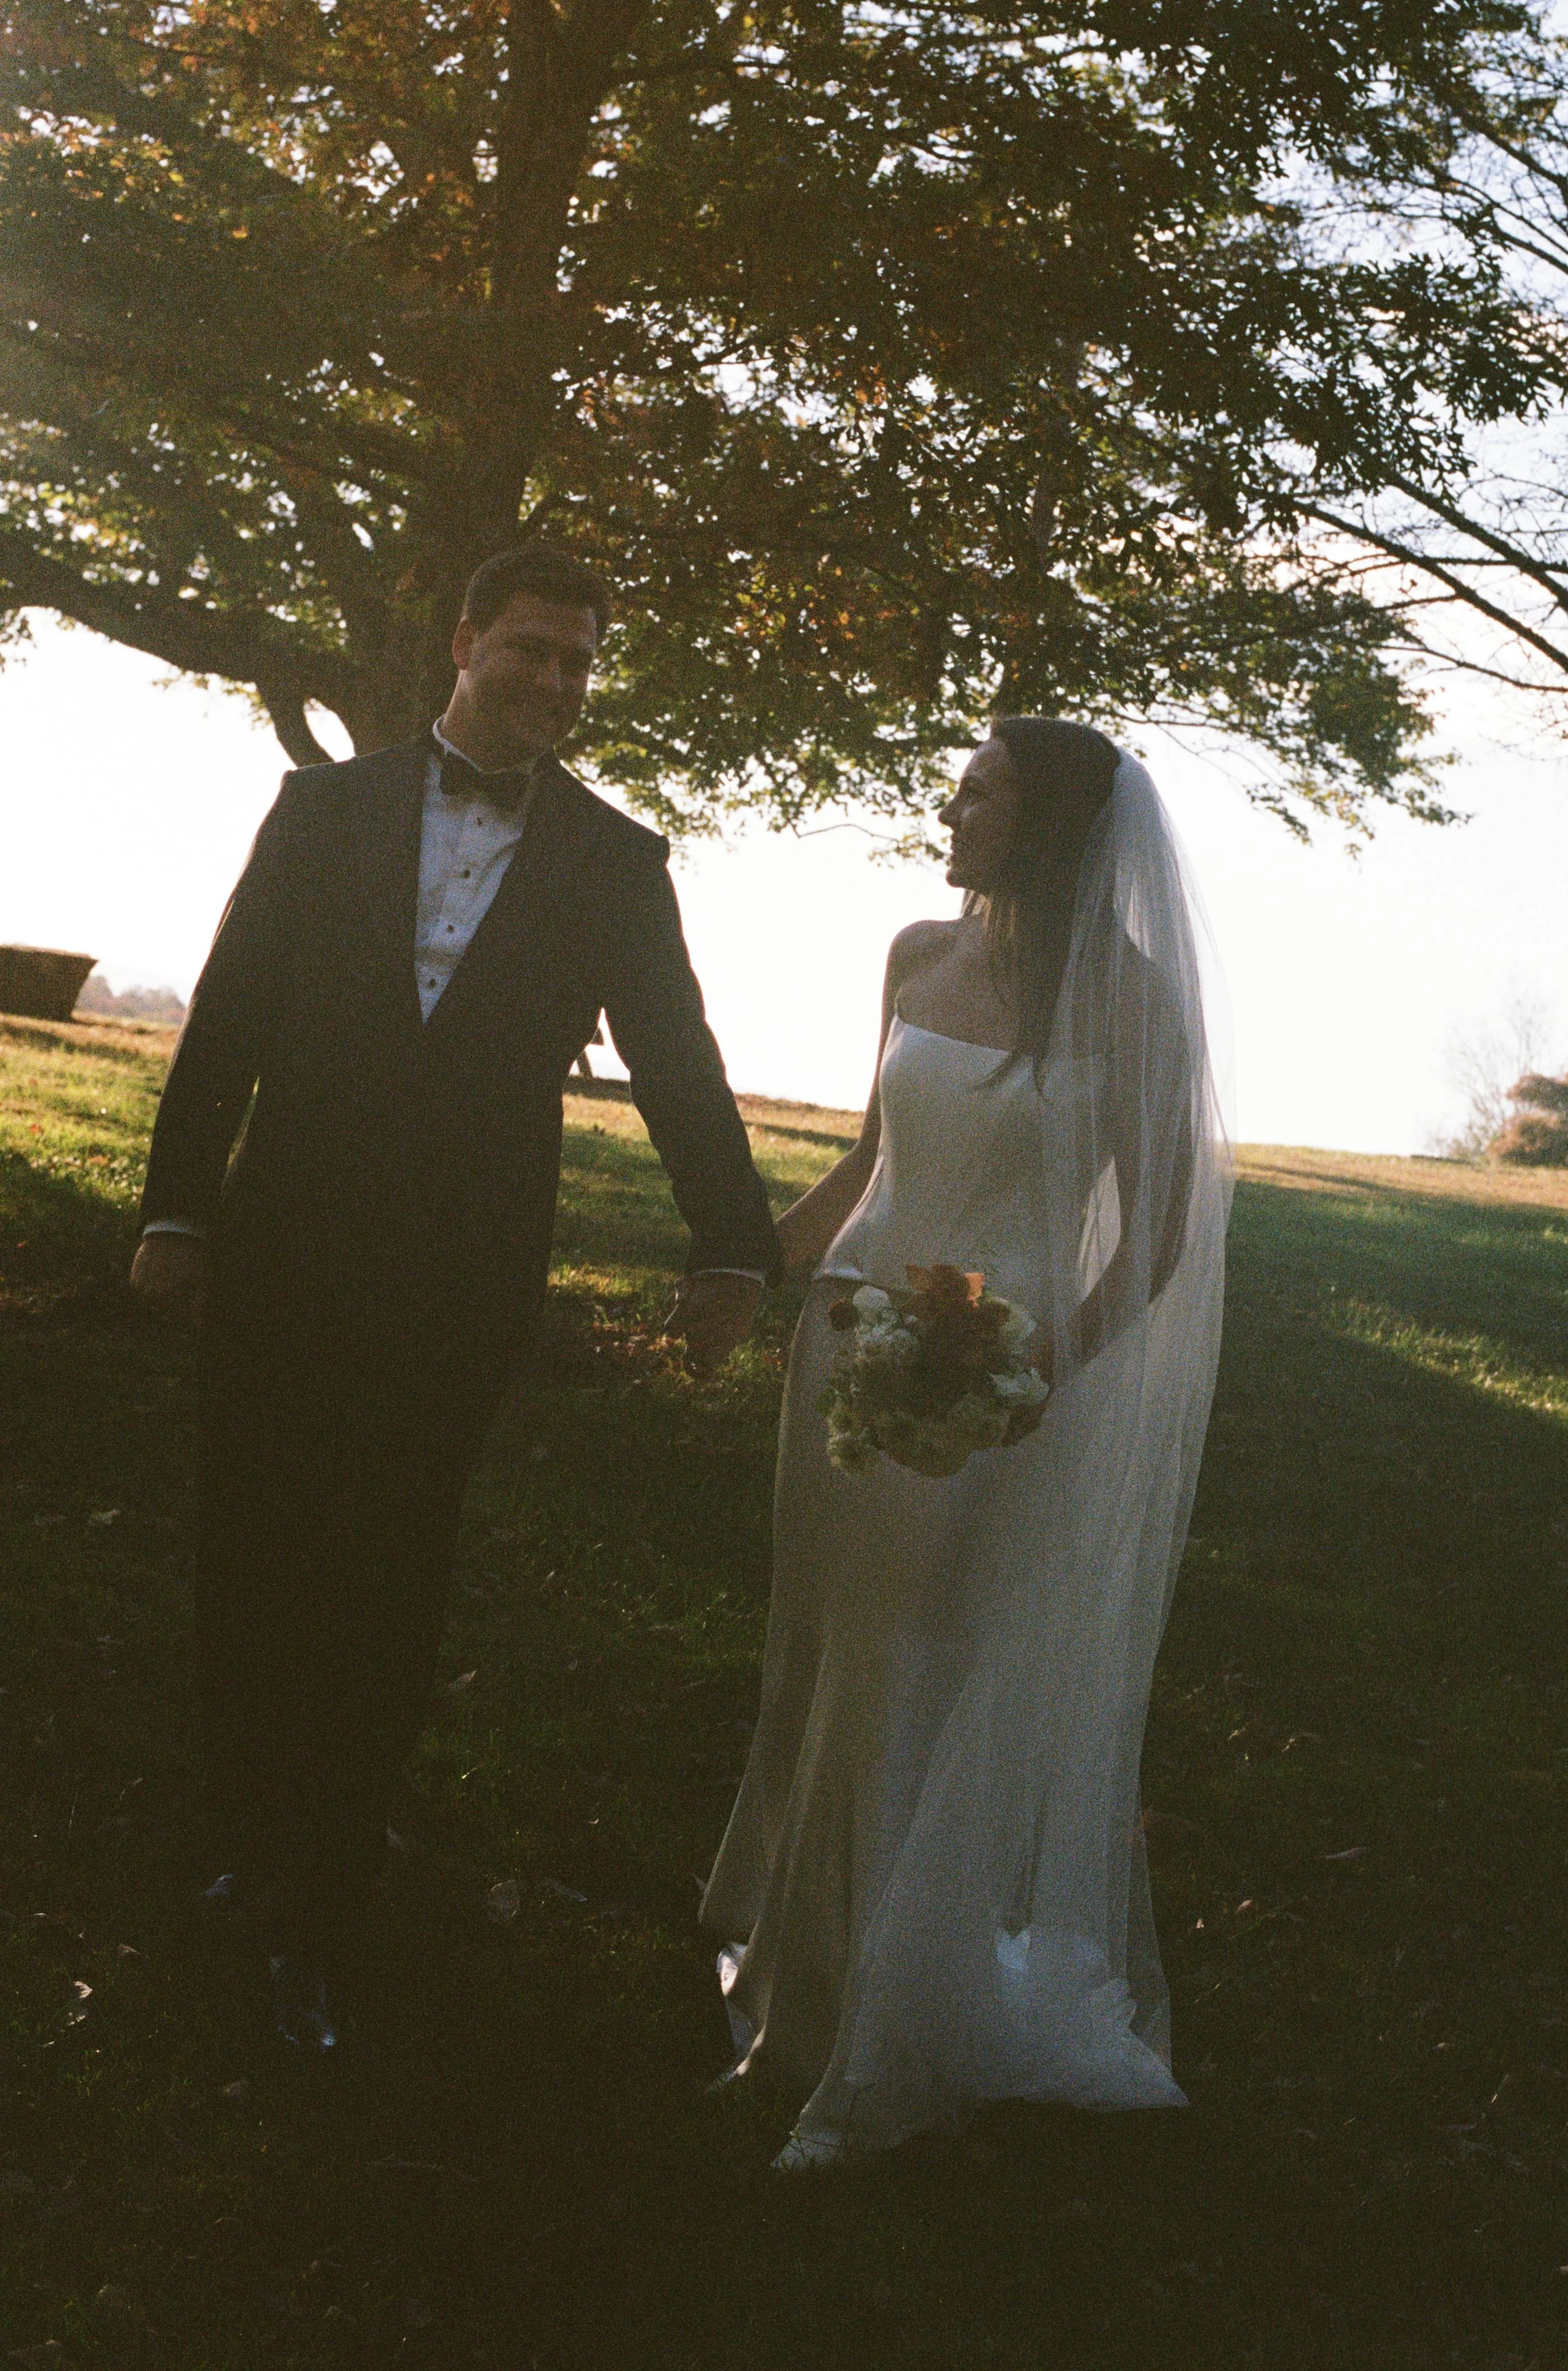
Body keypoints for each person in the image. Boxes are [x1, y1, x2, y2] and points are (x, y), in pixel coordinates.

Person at [131, 545, 780, 2049]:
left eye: (580, 662)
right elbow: (226, 1018)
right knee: (254, 1543)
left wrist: (731, 1246)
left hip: (457, 1274)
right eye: (533, 651)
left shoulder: (617, 863)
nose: (556, 682)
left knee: (388, 1568)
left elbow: (677, 1059)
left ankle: (323, 1886)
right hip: (284, 1242)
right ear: (464, 641)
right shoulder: (323, 810)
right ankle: (239, 1829)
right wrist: (178, 1211)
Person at [701, 719, 1231, 2167]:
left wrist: (1038, 1364)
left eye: (981, 790)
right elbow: (871, 1160)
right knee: (823, 1651)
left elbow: (1163, 1227)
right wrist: (754, 1269)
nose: (951, 804)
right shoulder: (909, 955)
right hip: (845, 1349)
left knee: (916, 1674)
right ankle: (797, 1979)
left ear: (1048, 825)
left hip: (990, 1389)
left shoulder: (1127, 1000)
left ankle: (883, 2028)